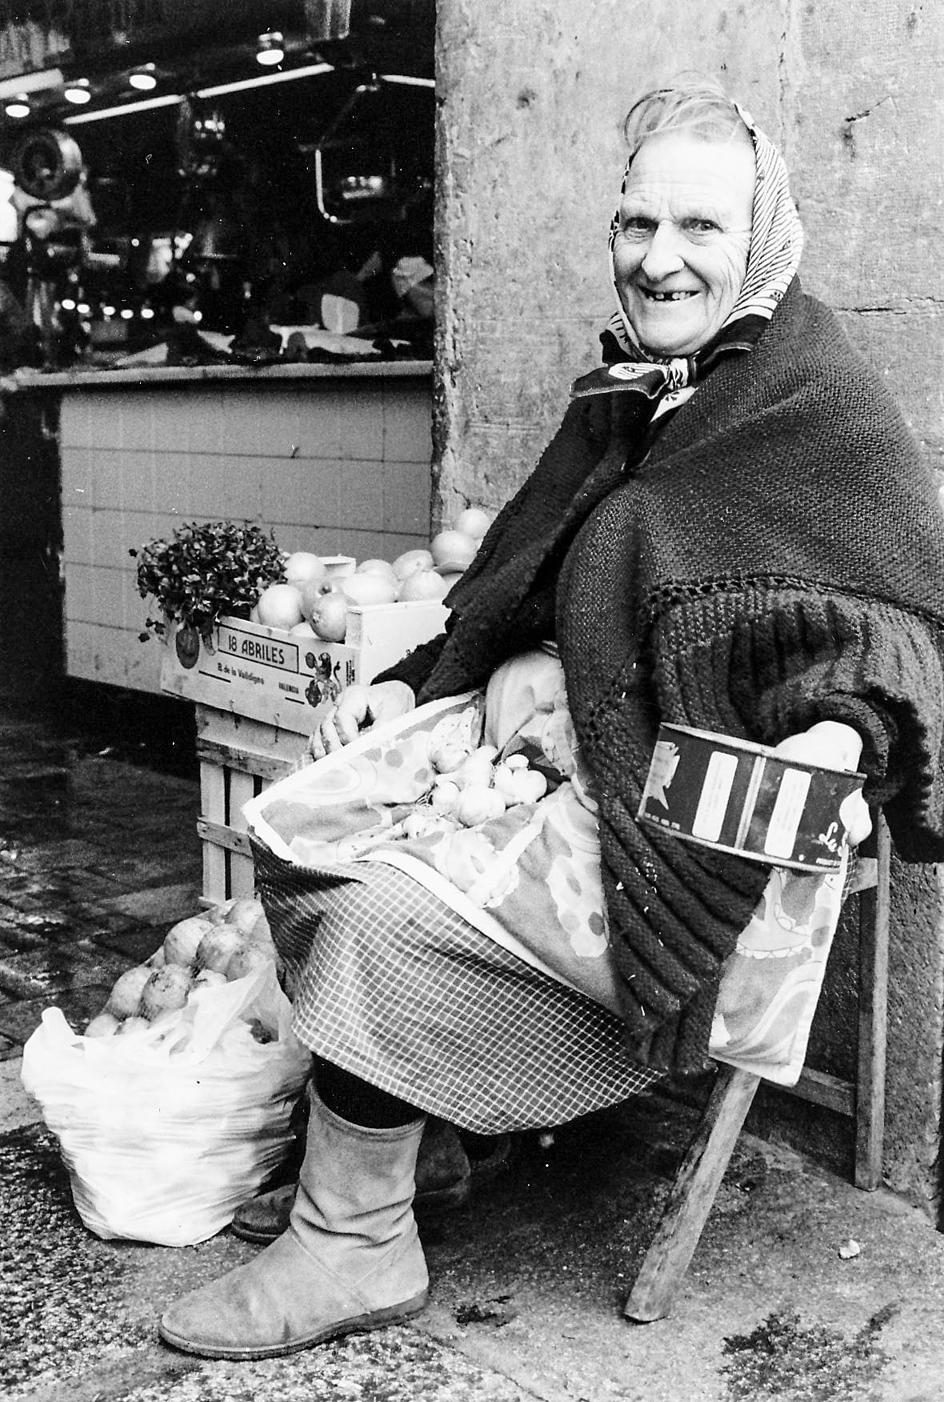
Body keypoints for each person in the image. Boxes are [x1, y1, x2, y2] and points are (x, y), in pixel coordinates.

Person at [159, 81, 944, 1360]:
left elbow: (882, 627)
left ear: (763, 234)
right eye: (636, 224)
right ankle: (426, 1142)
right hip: (556, 766)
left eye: (698, 225)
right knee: (303, 826)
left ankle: (353, 1238)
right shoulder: (628, 387)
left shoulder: (813, 403)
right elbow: (521, 564)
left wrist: (834, 731)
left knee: (378, 912)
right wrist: (420, 680)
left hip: (688, 813)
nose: (659, 258)